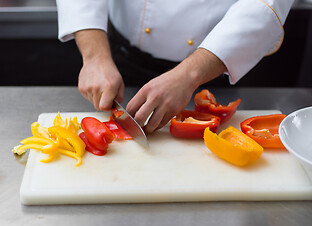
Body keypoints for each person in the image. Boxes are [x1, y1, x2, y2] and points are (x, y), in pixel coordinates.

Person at [56, 0, 294, 133]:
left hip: (218, 62)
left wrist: (189, 74)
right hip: (119, 55)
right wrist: (95, 55)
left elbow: (264, 3)